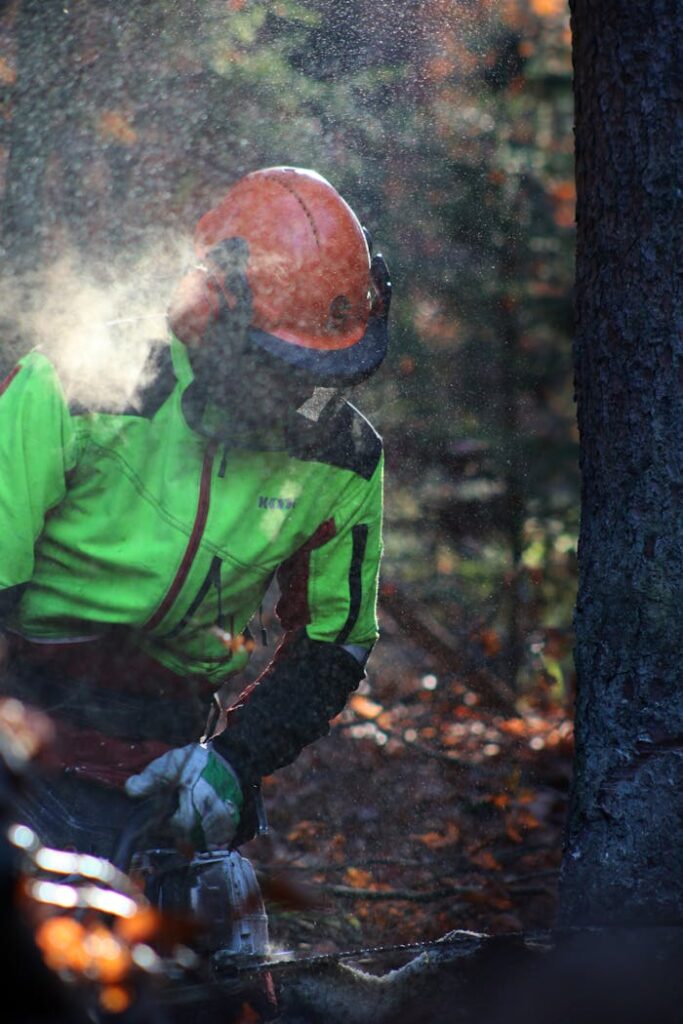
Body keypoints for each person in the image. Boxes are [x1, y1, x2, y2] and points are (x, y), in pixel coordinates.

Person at [0, 166, 390, 858]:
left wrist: (238, 761)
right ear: (212, 316)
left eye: (324, 377)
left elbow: (334, 642)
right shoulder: (86, 378)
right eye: (282, 369)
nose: (304, 399)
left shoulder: (344, 458)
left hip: (173, 726)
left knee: (202, 940)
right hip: (26, 690)